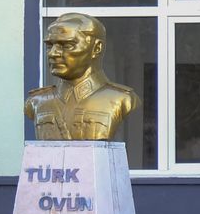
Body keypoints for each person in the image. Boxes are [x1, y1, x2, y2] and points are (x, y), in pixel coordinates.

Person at [26, 13, 138, 141]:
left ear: (96, 48)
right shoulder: (36, 102)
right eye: (50, 46)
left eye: (67, 45)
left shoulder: (122, 99)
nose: (53, 53)